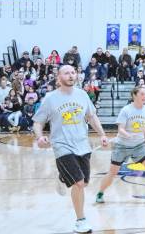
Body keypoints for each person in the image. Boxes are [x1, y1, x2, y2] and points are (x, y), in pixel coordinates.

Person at [32, 65, 109, 234]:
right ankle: (80, 221)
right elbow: (38, 122)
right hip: (62, 146)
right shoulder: (50, 98)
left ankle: (62, 179)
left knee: (84, 183)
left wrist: (102, 134)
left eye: (73, 72)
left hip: (83, 145)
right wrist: (39, 137)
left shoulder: (82, 95)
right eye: (66, 73)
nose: (71, 75)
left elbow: (91, 116)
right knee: (79, 183)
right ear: (59, 78)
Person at [96, 86, 145, 204]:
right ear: (134, 95)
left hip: (139, 146)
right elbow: (120, 129)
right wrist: (127, 135)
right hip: (122, 146)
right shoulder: (126, 110)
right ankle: (100, 193)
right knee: (113, 173)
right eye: (142, 94)